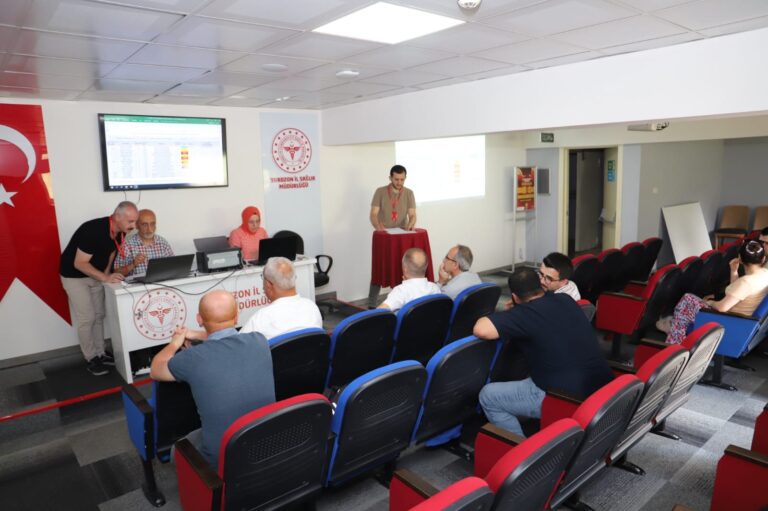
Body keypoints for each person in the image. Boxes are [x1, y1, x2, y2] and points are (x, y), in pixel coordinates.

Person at [473, 267, 613, 436]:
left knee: (489, 396)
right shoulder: (565, 299)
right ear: (542, 286)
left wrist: (513, 311)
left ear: (515, 297)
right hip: (603, 388)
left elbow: (481, 329)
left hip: (564, 398)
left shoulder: (523, 314)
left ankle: (522, 449)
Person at [149, 290, 275, 468]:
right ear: (237, 316)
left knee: (177, 449)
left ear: (199, 319)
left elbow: (156, 370)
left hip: (222, 459)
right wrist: (195, 334)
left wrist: (176, 342)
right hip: (267, 444)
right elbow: (227, 337)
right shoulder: (259, 341)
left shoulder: (191, 358)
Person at [60, 201, 138, 376]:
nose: (133, 226)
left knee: (99, 315)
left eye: (134, 221)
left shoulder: (120, 231)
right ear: (117, 217)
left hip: (95, 274)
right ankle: (91, 357)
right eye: (130, 221)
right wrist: (105, 278)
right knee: (87, 318)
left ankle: (101, 352)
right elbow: (79, 263)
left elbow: (112, 252)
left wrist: (106, 275)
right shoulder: (92, 230)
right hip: (74, 276)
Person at [661, 239, 768, 345]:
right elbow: (738, 291)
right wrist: (733, 271)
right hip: (743, 323)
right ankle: (676, 331)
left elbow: (722, 308)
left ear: (740, 259)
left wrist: (710, 302)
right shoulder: (764, 274)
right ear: (763, 258)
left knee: (687, 300)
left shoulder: (746, 282)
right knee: (689, 304)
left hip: (729, 322)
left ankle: (674, 340)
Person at [368, 165, 417, 306]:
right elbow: (373, 214)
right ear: (390, 178)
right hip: (384, 237)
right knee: (379, 268)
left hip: (401, 237)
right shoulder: (380, 191)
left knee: (402, 268)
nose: (399, 182)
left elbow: (412, 215)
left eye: (402, 179)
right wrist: (378, 226)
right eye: (396, 179)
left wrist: (411, 223)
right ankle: (371, 303)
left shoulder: (409, 193)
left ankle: (401, 301)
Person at [240, 257, 323, 339]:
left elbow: (237, 345)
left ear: (268, 285)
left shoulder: (260, 319)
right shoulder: (312, 308)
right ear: (294, 278)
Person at [114, 209, 173, 276]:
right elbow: (116, 272)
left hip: (161, 280)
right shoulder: (127, 246)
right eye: (144, 225)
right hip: (138, 283)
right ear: (136, 225)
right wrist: (133, 264)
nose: (149, 229)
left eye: (152, 224)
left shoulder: (163, 243)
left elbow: (173, 265)